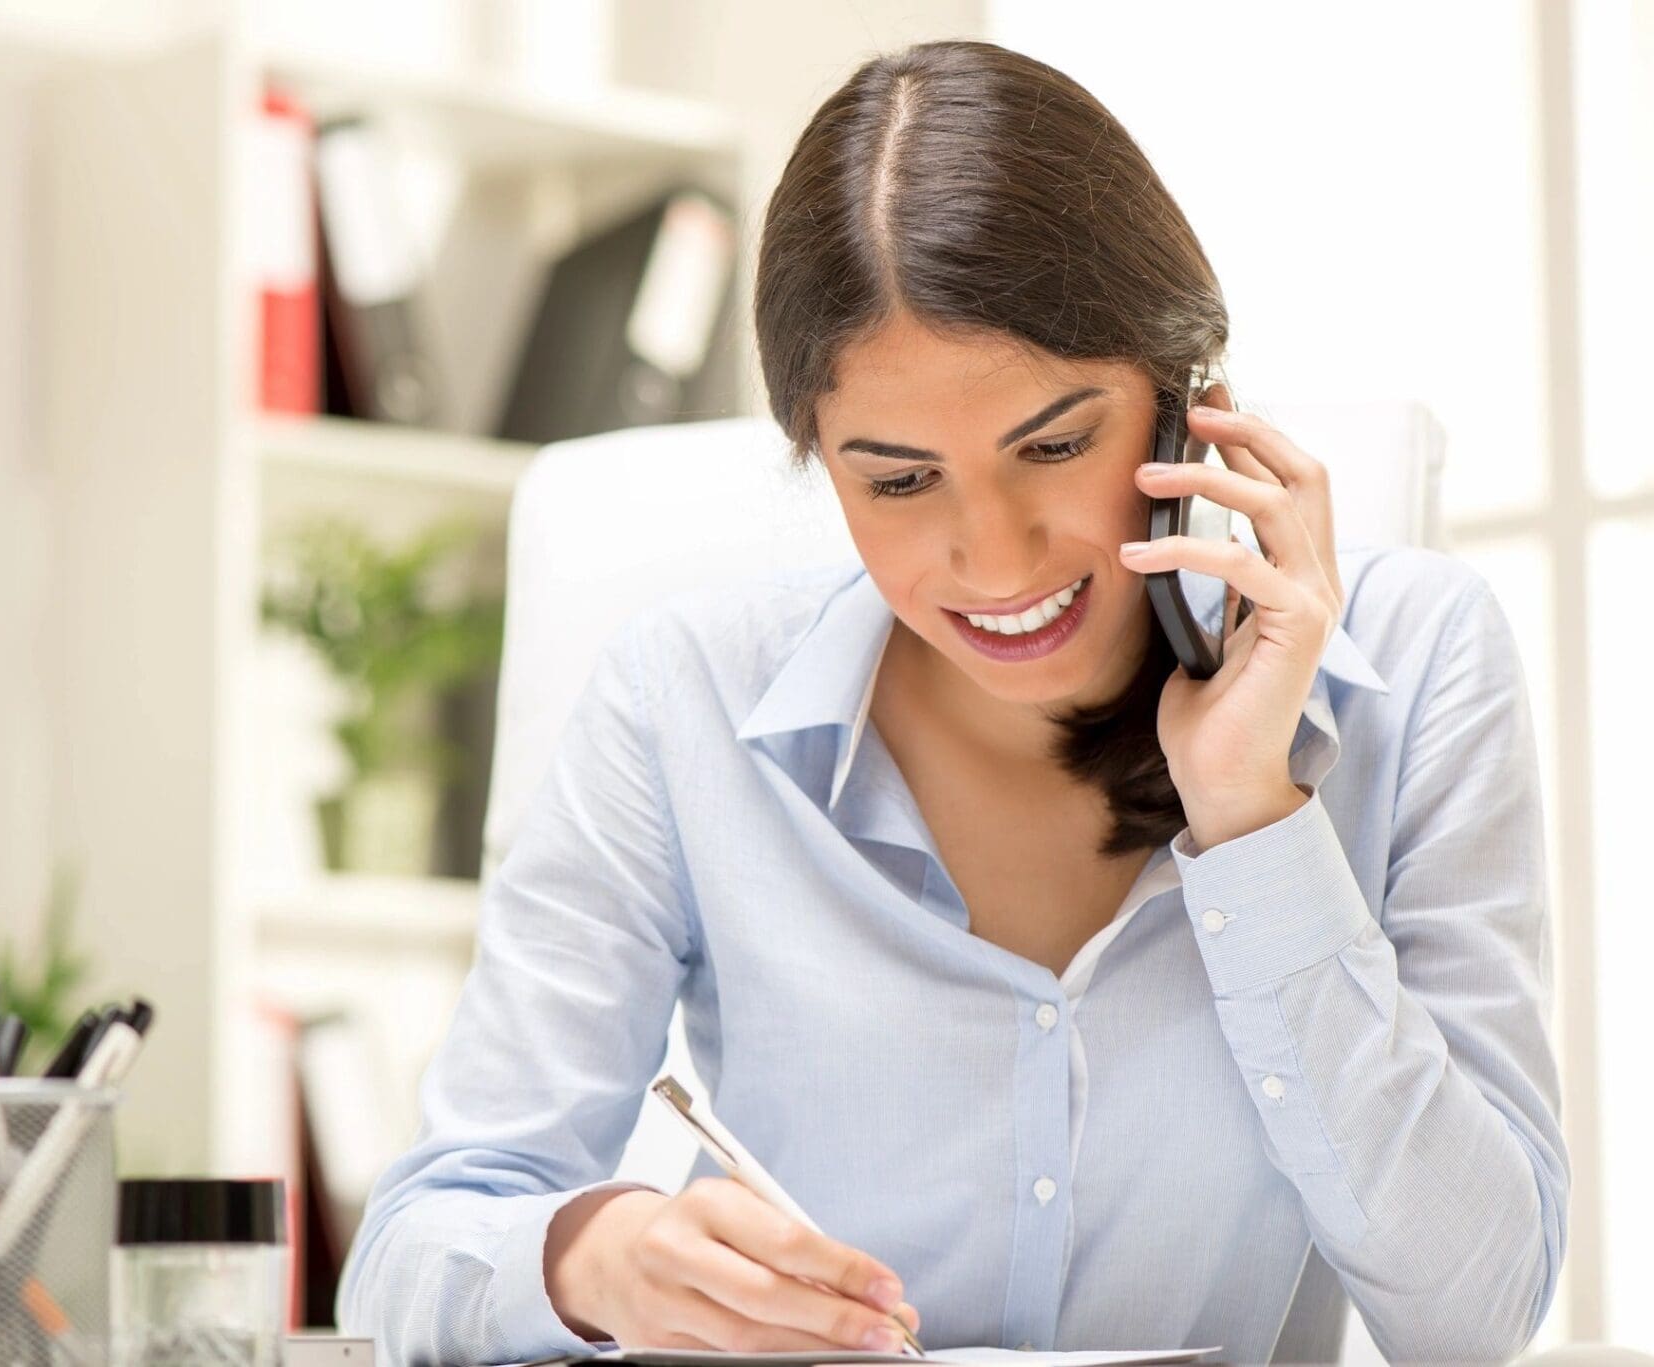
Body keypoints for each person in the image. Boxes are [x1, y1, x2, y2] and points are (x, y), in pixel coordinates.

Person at [334, 38, 1566, 1367]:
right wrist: (592, 1259)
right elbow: (413, 1252)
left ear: (1190, 401)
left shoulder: (1420, 663)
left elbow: (1474, 1320)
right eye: (900, 482)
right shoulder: (679, 702)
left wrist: (1257, 822)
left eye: (1054, 445)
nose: (995, 560)